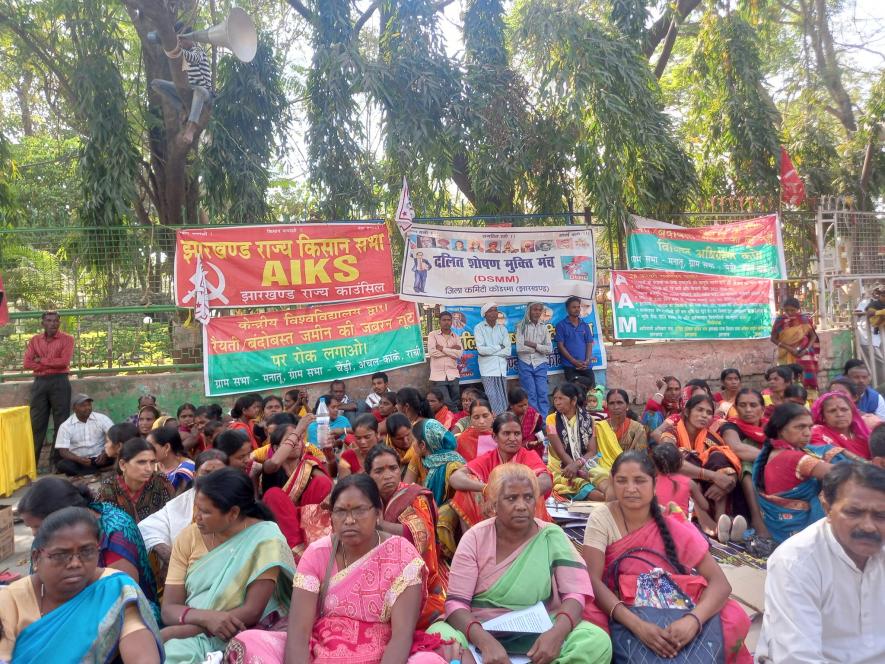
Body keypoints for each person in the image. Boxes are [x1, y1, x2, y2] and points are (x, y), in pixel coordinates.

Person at [226, 475, 447, 664]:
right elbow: (299, 631)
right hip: (321, 649)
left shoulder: (401, 554)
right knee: (249, 642)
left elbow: (401, 635)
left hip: (383, 652)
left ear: (378, 513)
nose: (349, 520)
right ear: (331, 516)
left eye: (359, 510)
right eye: (340, 511)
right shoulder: (317, 553)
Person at [428, 463, 612, 663]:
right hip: (480, 629)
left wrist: (557, 634)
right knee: (438, 637)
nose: (522, 506)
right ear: (494, 503)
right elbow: (456, 603)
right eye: (511, 498)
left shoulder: (551, 536)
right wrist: (485, 642)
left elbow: (575, 594)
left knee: (596, 641)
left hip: (540, 631)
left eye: (528, 497)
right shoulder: (475, 538)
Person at [582, 451, 751, 662]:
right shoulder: (602, 518)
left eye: (639, 481)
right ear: (612, 483)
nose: (631, 488)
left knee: (733, 617)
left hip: (671, 605)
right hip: (619, 605)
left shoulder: (671, 520)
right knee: (589, 624)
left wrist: (692, 621)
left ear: (654, 485)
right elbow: (592, 580)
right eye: (622, 481)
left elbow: (720, 583)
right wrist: (637, 625)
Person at [159, 468, 294, 662]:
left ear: (233, 513)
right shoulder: (188, 537)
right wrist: (206, 619)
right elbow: (169, 609)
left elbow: (252, 612)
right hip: (192, 633)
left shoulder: (266, 539)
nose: (196, 516)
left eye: (205, 512)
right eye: (196, 508)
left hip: (246, 632)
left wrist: (178, 632)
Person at [757, 463, 885, 664]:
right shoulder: (795, 562)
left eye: (881, 516)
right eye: (853, 512)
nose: (869, 526)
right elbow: (797, 658)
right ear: (827, 509)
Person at [0, 507, 162, 663]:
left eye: (87, 552)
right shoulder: (11, 598)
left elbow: (143, 655)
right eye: (61, 555)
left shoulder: (115, 590)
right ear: (36, 558)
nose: (75, 563)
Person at [17, 477, 159, 616]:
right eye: (31, 527)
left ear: (63, 515)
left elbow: (120, 599)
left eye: (37, 527)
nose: (35, 534)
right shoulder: (48, 536)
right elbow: (39, 584)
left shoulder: (115, 533)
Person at [366, 445, 448, 628]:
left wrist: (377, 524)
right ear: (369, 475)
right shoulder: (367, 498)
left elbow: (420, 536)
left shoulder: (413, 497)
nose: (388, 475)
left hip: (415, 574)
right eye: (379, 471)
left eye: (393, 468)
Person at [450, 412, 553, 530]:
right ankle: (473, 539)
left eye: (517, 434)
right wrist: (486, 488)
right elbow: (456, 478)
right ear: (495, 437)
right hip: (493, 510)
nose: (513, 439)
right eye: (506, 433)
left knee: (534, 489)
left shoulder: (528, 456)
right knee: (464, 491)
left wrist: (509, 495)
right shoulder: (489, 458)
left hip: (522, 510)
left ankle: (533, 537)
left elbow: (546, 481)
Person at [752, 403, 837, 543]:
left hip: (779, 527)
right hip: (797, 530)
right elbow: (839, 473)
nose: (807, 433)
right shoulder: (792, 458)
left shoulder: (773, 451)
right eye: (800, 427)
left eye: (809, 427)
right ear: (780, 430)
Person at [659, 394, 742, 531]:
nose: (704, 415)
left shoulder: (712, 437)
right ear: (687, 412)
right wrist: (713, 476)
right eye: (700, 410)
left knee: (718, 455)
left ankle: (720, 519)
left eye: (709, 413)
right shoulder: (672, 432)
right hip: (676, 484)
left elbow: (729, 459)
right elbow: (669, 458)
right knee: (686, 456)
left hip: (708, 492)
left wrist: (724, 483)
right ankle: (705, 523)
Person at [138, 450, 228, 572]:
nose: (213, 479)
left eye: (219, 474)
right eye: (206, 473)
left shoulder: (237, 502)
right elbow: (146, 527)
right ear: (195, 475)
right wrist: (169, 554)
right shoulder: (180, 503)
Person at [259, 420, 333, 559]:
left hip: (310, 522)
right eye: (291, 440)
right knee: (273, 494)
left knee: (322, 483)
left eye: (299, 439)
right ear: (276, 448)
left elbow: (330, 485)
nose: (296, 443)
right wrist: (298, 429)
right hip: (283, 524)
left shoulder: (309, 464)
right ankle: (298, 555)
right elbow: (274, 462)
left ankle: (319, 546)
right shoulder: (271, 467)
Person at [546, 383, 618, 501]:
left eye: (561, 398)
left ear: (573, 400)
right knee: (575, 482)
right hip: (561, 466)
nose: (557, 402)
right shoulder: (551, 420)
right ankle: (605, 498)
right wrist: (575, 468)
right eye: (555, 399)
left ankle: (611, 494)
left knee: (599, 474)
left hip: (584, 463)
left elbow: (592, 451)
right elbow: (560, 452)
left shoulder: (589, 419)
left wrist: (578, 465)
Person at [719, 388, 774, 541]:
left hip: (772, 471)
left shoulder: (771, 428)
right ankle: (757, 519)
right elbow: (737, 448)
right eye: (743, 405)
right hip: (741, 479)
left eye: (753, 405)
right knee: (747, 465)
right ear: (736, 408)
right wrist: (773, 458)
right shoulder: (730, 426)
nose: (748, 410)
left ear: (762, 409)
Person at [24, 310, 74, 464]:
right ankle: (32, 463)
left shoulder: (67, 339)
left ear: (59, 322)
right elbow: (27, 363)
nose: (53, 323)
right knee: (36, 423)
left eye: (55, 321)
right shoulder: (35, 340)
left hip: (60, 381)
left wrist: (41, 360)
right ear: (43, 323)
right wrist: (49, 363)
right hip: (40, 382)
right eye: (49, 320)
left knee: (61, 422)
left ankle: (56, 462)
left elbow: (64, 362)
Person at [150, 23, 212, 148]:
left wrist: (177, 51)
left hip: (204, 91)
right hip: (189, 89)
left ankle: (191, 126)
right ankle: (183, 108)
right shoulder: (182, 56)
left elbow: (195, 58)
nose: (180, 43)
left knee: (199, 90)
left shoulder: (197, 50)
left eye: (182, 40)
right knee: (155, 84)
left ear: (190, 39)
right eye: (179, 41)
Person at [98, 438, 175, 523]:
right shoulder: (108, 489)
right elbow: (104, 524)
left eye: (152, 462)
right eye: (141, 462)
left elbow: (173, 515)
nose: (149, 469)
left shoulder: (160, 481)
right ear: (123, 465)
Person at [650, 442, 718, 533]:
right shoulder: (689, 483)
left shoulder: (652, 482)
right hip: (681, 530)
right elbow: (705, 506)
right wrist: (698, 490)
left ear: (655, 466)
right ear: (680, 462)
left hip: (657, 528)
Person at [406, 418, 466, 505]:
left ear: (422, 445)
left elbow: (460, 501)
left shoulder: (454, 466)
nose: (412, 445)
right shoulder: (419, 458)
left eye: (413, 441)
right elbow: (406, 488)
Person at [54, 393, 115, 476]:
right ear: (74, 408)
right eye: (83, 405)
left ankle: (88, 472)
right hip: (79, 461)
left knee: (121, 455)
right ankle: (98, 470)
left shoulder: (102, 418)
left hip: (101, 459)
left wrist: (105, 453)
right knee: (62, 464)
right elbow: (63, 451)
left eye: (89, 405)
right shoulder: (66, 426)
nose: (87, 408)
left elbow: (115, 436)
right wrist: (78, 459)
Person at [770, 296, 820, 390]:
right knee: (785, 376)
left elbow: (813, 336)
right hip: (785, 353)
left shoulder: (804, 319)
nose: (789, 313)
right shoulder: (780, 320)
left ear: (798, 309)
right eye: (786, 310)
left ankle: (808, 395)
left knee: (805, 376)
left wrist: (806, 350)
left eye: (792, 310)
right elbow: (773, 338)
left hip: (803, 354)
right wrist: (789, 348)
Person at [516, 301, 553, 416]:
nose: (537, 312)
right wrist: (539, 348)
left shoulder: (544, 327)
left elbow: (549, 349)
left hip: (541, 364)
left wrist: (534, 345)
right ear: (529, 311)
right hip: (525, 363)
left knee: (543, 393)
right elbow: (519, 348)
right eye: (534, 309)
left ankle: (544, 421)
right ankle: (534, 422)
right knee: (530, 395)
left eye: (539, 310)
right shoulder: (521, 326)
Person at [810, 391, 872, 459]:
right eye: (832, 411)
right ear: (823, 416)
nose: (840, 414)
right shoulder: (817, 432)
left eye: (844, 409)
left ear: (852, 412)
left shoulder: (863, 437)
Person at [474, 302, 511, 414]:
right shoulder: (479, 328)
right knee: (492, 398)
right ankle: (495, 421)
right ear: (484, 314)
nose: (494, 313)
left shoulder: (502, 329)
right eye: (490, 310)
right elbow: (481, 350)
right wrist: (499, 347)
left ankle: (504, 420)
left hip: (501, 369)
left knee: (504, 399)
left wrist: (491, 352)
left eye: (495, 310)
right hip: (488, 370)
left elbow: (508, 351)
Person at [554, 296, 595, 386]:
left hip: (586, 366)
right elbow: (560, 346)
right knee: (575, 391)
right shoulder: (561, 325)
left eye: (578, 307)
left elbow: (589, 343)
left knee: (592, 391)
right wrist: (574, 361)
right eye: (573, 307)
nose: (577, 309)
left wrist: (587, 360)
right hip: (570, 366)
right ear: (567, 309)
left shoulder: (584, 325)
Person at [427, 311, 464, 409]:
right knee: (446, 402)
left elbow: (459, 354)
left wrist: (442, 349)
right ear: (439, 321)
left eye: (448, 320)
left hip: (453, 374)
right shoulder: (433, 335)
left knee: (456, 401)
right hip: (438, 376)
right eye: (444, 320)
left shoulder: (456, 337)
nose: (446, 322)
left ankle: (453, 417)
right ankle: (455, 416)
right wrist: (452, 350)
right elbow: (432, 353)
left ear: (451, 322)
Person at [147, 427, 195, 492]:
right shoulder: (153, 467)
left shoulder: (187, 470)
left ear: (167, 447)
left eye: (151, 447)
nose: (146, 450)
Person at [508, 386, 545, 457]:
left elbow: (538, 429)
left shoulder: (532, 413)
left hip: (534, 445)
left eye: (526, 404)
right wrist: (527, 445)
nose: (524, 408)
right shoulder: (507, 419)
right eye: (520, 406)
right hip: (516, 447)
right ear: (511, 405)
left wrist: (541, 439)